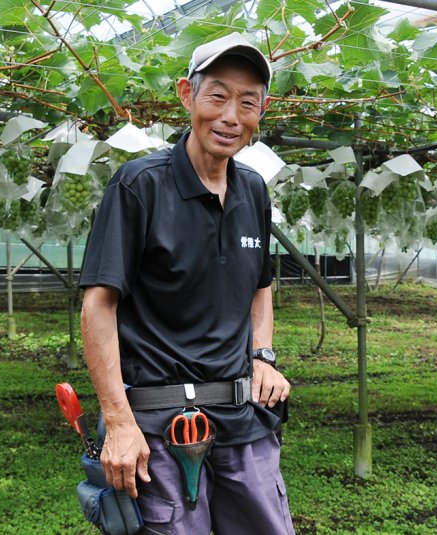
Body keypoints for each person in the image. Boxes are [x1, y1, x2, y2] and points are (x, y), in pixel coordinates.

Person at [79, 32, 295, 535]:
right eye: (217, 96)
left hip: (242, 417)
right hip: (160, 426)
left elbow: (259, 284)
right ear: (186, 95)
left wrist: (263, 356)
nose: (231, 117)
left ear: (261, 111)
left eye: (248, 103)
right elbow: (98, 305)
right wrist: (119, 421)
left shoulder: (253, 190)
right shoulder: (141, 185)